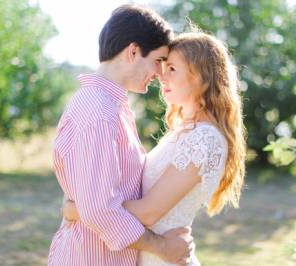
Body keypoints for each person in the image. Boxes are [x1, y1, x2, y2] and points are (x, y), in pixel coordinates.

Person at [62, 31, 247, 266]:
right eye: (162, 66)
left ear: (202, 76)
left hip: (165, 258)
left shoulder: (205, 139)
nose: (161, 76)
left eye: (172, 69)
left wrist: (79, 209)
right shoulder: (185, 131)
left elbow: (148, 212)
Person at [47, 5, 194, 266]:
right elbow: (100, 210)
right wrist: (163, 248)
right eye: (158, 61)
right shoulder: (99, 113)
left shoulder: (110, 106)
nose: (161, 74)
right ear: (133, 51)